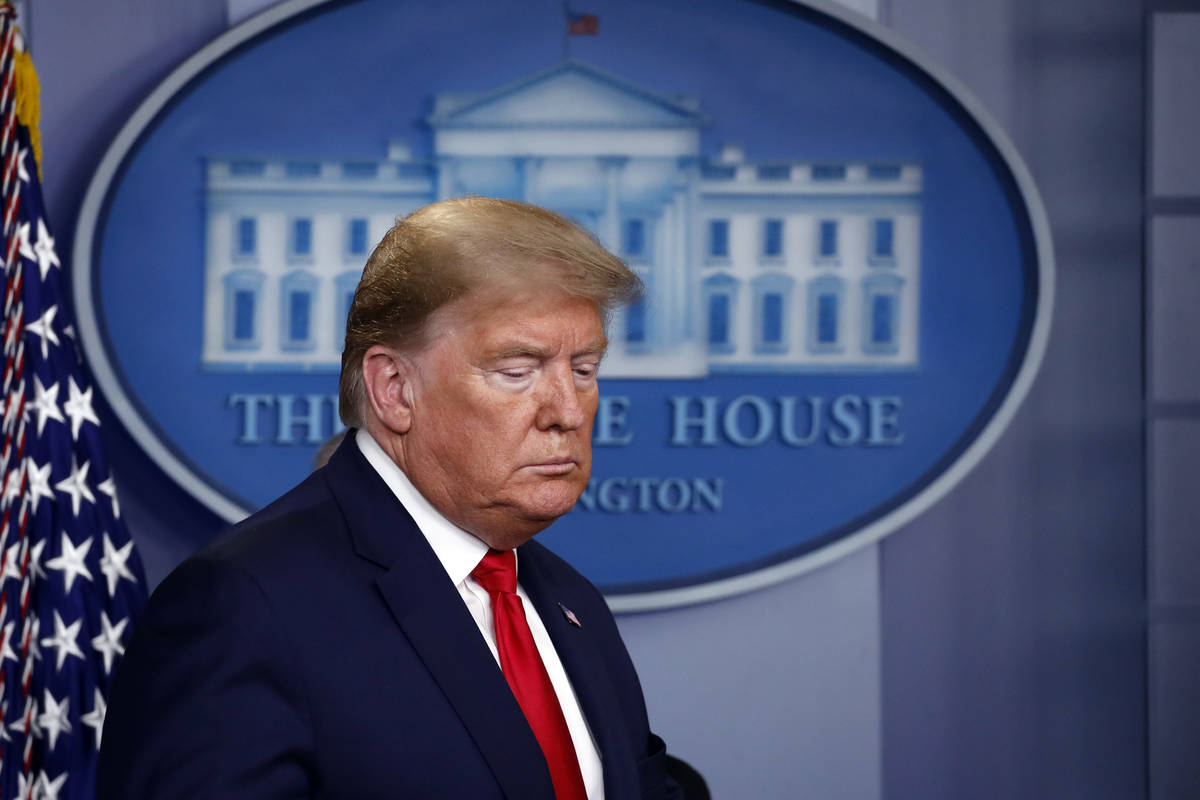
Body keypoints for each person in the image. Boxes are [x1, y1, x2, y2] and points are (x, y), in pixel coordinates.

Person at [98, 197, 680, 799]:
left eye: (583, 369)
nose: (566, 410)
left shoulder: (567, 601)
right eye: (518, 370)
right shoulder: (246, 606)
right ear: (395, 389)